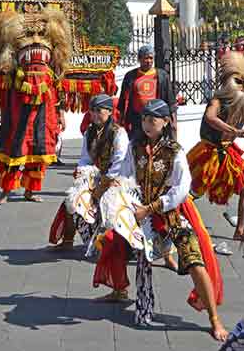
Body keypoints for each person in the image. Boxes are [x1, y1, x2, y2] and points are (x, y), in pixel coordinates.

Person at [93, 99, 227, 341]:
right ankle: (126, 296)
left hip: (171, 214)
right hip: (139, 212)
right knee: (115, 241)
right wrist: (119, 195)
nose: (147, 123)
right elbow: (125, 175)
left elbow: (181, 189)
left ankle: (214, 319)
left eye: (153, 119)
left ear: (165, 122)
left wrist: (153, 207)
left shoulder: (174, 151)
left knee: (195, 261)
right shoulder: (135, 147)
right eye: (144, 118)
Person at [0, 8, 72, 204]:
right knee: (13, 147)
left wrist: (60, 112)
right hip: (18, 104)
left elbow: (59, 84)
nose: (35, 36)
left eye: (40, 32)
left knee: (39, 149)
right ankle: (6, 191)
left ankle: (30, 191)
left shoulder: (52, 53)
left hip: (45, 106)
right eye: (29, 32)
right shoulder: (12, 50)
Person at [49, 94, 129, 250]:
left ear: (110, 112)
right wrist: (81, 172)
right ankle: (67, 241)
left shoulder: (119, 133)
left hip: (117, 180)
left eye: (99, 110)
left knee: (111, 207)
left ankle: (112, 245)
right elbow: (85, 159)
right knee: (73, 200)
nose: (95, 114)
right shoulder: (89, 132)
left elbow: (120, 163)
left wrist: (103, 186)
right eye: (92, 111)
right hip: (96, 176)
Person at [188, 52, 244, 240]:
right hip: (208, 152)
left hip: (229, 154)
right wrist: (233, 130)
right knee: (191, 193)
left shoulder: (241, 104)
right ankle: (174, 224)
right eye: (238, 81)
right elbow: (210, 118)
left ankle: (241, 229)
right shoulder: (217, 100)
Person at [118, 44, 177, 141]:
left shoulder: (162, 76)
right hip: (137, 120)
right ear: (139, 59)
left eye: (151, 58)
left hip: (157, 119)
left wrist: (174, 122)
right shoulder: (130, 76)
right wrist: (120, 121)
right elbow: (123, 100)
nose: (149, 61)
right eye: (146, 58)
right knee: (136, 148)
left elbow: (170, 100)